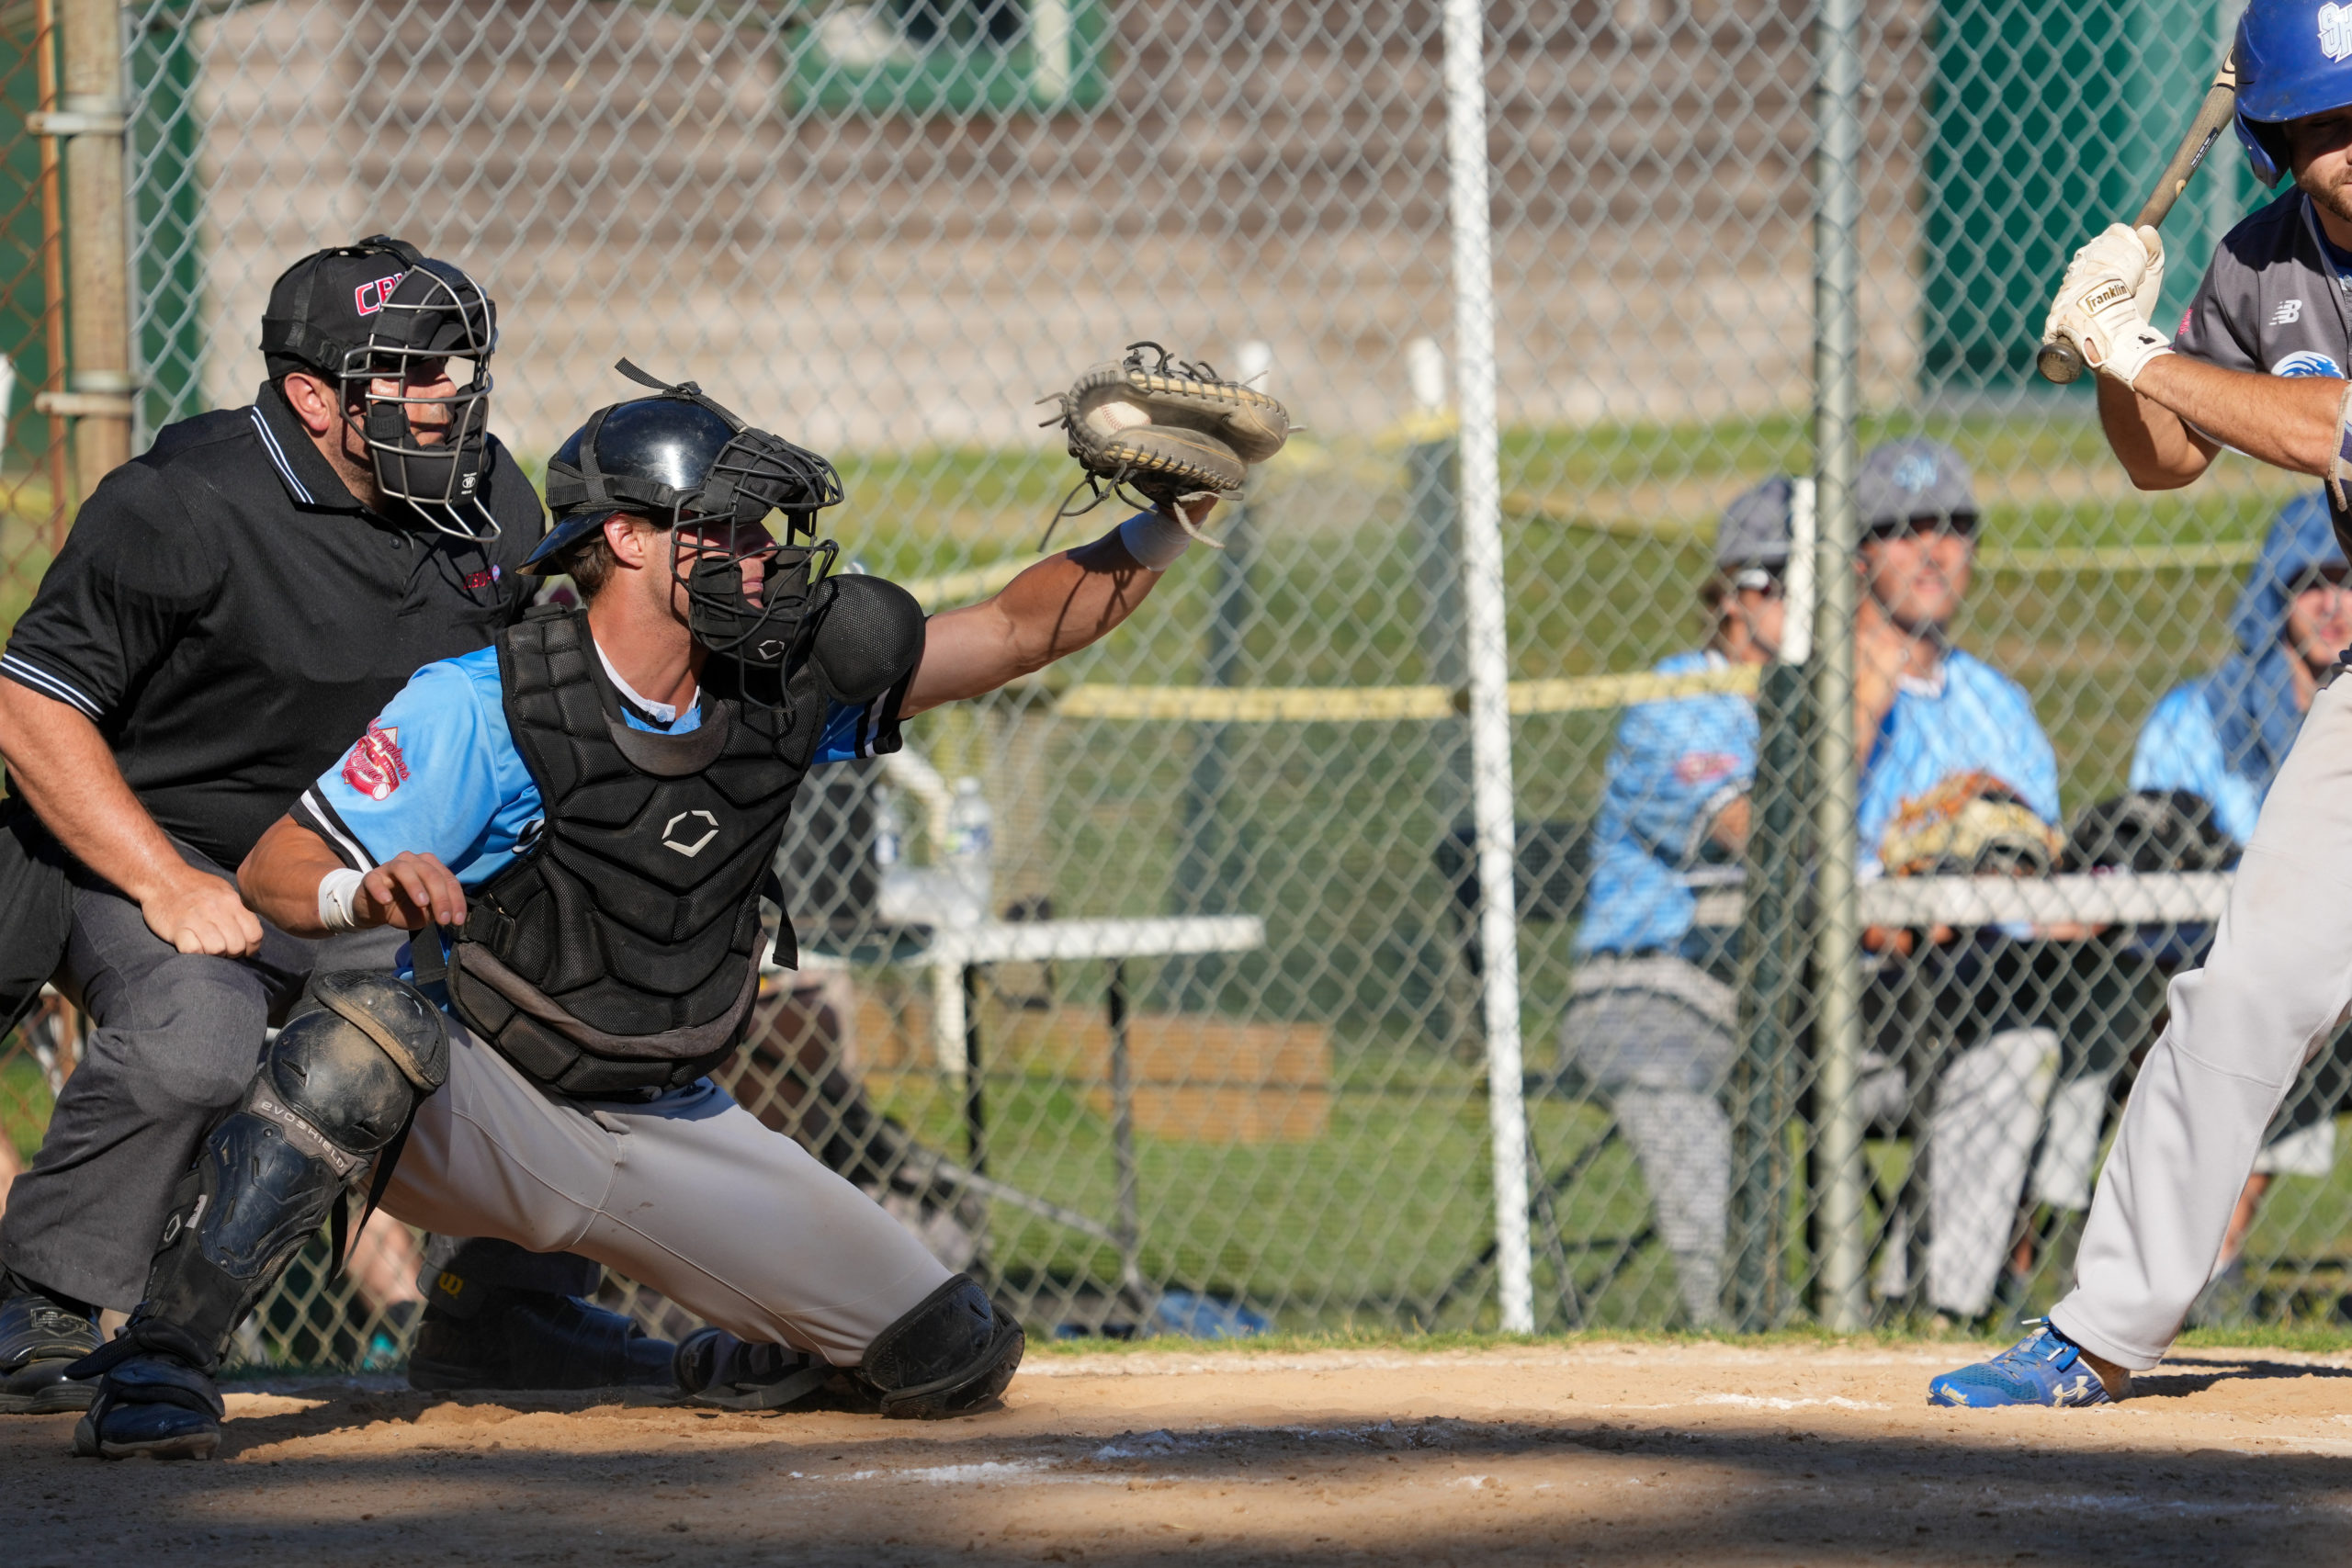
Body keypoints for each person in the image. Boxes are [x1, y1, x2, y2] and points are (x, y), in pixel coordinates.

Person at [62, 365, 1229, 1460]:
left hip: (674, 1112)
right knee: (365, 1030)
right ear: (622, 537)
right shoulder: (490, 699)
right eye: (717, 529)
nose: (758, 556)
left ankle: (505, 1325)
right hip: (489, 1100)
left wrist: (1175, 520)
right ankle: (163, 1358)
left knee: (947, 1356)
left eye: (761, 530)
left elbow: (1018, 629)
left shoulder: (782, 680)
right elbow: (274, 868)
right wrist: (357, 891)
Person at [0, 235, 658, 1420]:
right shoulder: (183, 502)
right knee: (195, 1036)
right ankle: (41, 1289)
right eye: (412, 372)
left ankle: (511, 1308)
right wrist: (159, 878)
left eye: (462, 364)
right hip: (171, 847)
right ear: (313, 398)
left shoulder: (482, 495)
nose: (452, 392)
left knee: (584, 993)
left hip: (369, 861)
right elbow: (32, 700)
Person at [1932, 0, 2352, 1405]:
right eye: (2326, 119)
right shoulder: (2262, 259)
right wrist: (2112, 340)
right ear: (2277, 132)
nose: (2350, 142)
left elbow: (2322, 430)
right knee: (2243, 989)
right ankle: (2103, 1328)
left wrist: (2144, 355)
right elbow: (2164, 459)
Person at [1842, 437, 2074, 1325]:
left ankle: (1940, 1306)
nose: (1932, 551)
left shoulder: (1996, 702)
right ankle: (1949, 1301)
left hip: (1990, 984)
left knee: (2075, 1034)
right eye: (1903, 531)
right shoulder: (1827, 689)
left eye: (1950, 529)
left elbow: (2044, 869)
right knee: (2022, 1049)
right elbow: (1808, 848)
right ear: (1862, 553)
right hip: (1857, 1008)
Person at [1563, 476, 1795, 1326]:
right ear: (1741, 593)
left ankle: (1914, 1316)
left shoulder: (1845, 705)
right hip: (1649, 988)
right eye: (1795, 584)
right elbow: (1751, 826)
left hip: (1785, 999)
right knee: (1670, 1077)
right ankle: (1733, 1331)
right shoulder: (1680, 693)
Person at [2117, 493, 2352, 1320]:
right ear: (2274, 596)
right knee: (2257, 998)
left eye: (2350, 579)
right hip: (2189, 961)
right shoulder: (2199, 717)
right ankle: (2204, 1268)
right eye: (2310, 582)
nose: (2333, 603)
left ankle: (2212, 1263)